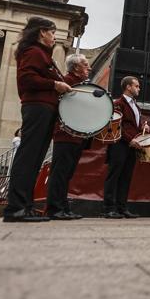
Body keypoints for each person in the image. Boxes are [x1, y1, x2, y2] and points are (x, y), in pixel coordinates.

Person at [3, 17, 72, 223]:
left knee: (34, 160)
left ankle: (25, 206)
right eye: (52, 33)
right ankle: (15, 208)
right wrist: (55, 85)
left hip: (45, 108)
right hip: (38, 107)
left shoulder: (42, 54)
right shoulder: (34, 52)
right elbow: (26, 79)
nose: (53, 37)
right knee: (28, 158)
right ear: (42, 32)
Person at [46, 53, 92, 220]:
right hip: (65, 134)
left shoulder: (79, 84)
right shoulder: (67, 82)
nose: (89, 68)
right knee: (60, 173)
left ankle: (63, 207)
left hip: (76, 135)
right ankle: (54, 208)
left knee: (66, 173)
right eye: (86, 65)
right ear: (76, 67)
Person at [103, 76, 149, 219]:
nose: (139, 89)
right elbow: (117, 126)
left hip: (131, 146)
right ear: (128, 87)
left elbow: (134, 125)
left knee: (126, 177)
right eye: (137, 86)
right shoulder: (118, 103)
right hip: (119, 145)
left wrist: (143, 127)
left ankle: (122, 208)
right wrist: (130, 140)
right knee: (114, 176)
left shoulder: (136, 105)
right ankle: (108, 208)